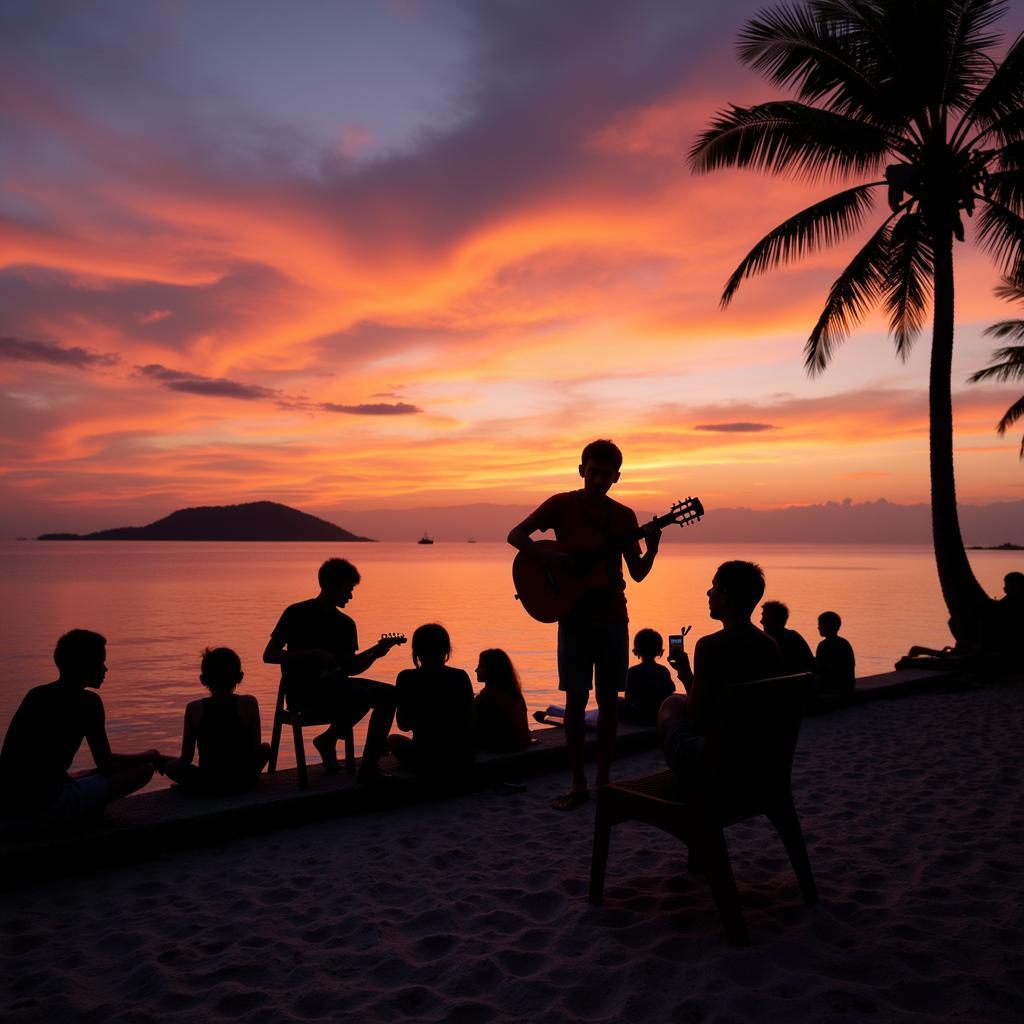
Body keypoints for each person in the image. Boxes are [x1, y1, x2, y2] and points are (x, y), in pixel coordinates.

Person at [507, 439, 661, 810]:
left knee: (609, 701)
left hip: (612, 618)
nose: (598, 480)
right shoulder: (560, 505)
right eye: (593, 472)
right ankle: (578, 783)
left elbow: (636, 573)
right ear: (581, 470)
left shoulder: (624, 517)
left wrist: (653, 546)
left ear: (617, 478)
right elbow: (516, 536)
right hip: (573, 617)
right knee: (574, 701)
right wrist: (554, 558)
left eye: (607, 475)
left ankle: (604, 782)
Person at [0, 630, 163, 830]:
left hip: (7, 809)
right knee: (142, 770)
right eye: (101, 662)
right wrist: (150, 755)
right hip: (41, 810)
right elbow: (106, 763)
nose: (106, 669)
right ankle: (76, 815)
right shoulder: (89, 703)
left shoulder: (36, 695)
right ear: (86, 666)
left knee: (86, 774)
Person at [264, 557, 398, 783]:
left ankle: (361, 760)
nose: (351, 595)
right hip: (303, 694)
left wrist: (376, 652)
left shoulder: (346, 624)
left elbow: (352, 668)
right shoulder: (295, 613)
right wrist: (312, 654)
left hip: (338, 690)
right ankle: (344, 750)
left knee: (390, 694)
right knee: (371, 695)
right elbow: (269, 655)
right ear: (332, 586)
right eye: (349, 589)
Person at [659, 562, 781, 782]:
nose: (708, 592)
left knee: (671, 704)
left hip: (717, 759)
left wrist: (686, 685)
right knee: (680, 701)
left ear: (724, 596)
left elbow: (697, 722)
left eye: (713, 586)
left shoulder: (709, 646)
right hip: (756, 754)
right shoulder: (770, 645)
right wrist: (687, 675)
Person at [162, 647, 271, 796]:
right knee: (265, 748)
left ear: (203, 679)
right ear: (240, 677)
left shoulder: (194, 709)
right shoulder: (249, 703)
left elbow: (186, 757)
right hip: (244, 778)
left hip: (209, 781)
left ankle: (195, 786)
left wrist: (168, 762)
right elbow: (255, 748)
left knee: (171, 767)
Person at [388, 624, 475, 777]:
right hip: (462, 756)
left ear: (417, 651)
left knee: (392, 739)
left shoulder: (406, 677)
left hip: (426, 756)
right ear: (446, 649)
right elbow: (470, 719)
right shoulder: (460, 676)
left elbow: (403, 725)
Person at [474, 648, 531, 753]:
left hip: (500, 748)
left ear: (492, 670)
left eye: (481, 666)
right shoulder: (515, 694)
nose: (476, 670)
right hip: (521, 744)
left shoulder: (486, 697)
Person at [619, 628, 675, 726]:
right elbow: (669, 691)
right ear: (660, 651)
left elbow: (629, 698)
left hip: (638, 716)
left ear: (636, 651)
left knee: (617, 701)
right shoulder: (663, 670)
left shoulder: (632, 671)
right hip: (659, 714)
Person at [759, 601, 815, 676]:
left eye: (764, 617)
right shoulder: (794, 636)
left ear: (772, 620)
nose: (761, 621)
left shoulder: (767, 641)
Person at [815, 611, 856, 696]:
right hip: (848, 685)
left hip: (832, 687)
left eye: (820, 625)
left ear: (827, 626)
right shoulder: (844, 643)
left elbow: (821, 668)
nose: (818, 627)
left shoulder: (823, 645)